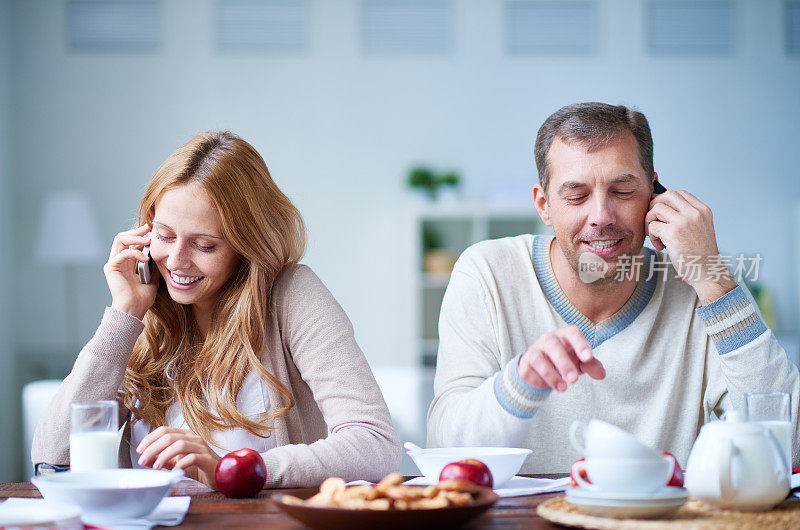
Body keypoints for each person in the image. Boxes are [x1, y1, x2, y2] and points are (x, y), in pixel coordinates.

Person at [427, 102, 800, 472]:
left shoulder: (705, 285)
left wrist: (713, 278)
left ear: (655, 195)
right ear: (544, 205)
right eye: (576, 195)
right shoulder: (487, 273)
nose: (601, 217)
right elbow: (445, 450)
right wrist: (520, 382)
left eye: (623, 191)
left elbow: (790, 450)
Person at [32, 131, 400, 488]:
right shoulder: (142, 319)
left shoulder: (291, 295)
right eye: (164, 235)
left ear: (247, 245)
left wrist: (229, 470)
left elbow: (375, 445)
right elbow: (53, 458)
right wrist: (124, 313)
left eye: (204, 245)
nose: (176, 261)